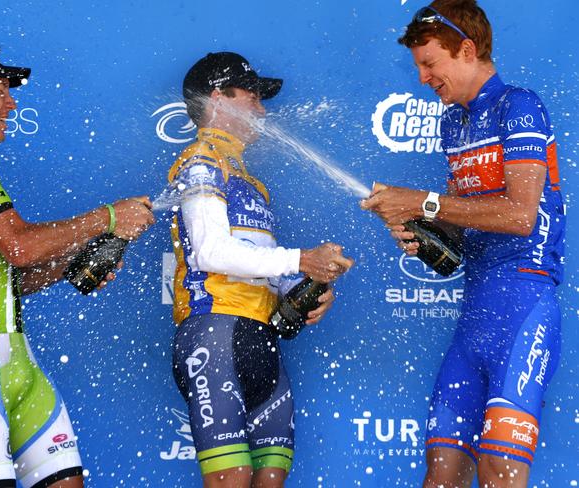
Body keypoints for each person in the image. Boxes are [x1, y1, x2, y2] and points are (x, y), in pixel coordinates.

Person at [0, 38, 155, 488]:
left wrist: (74, 262)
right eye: (0, 90)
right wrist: (108, 216)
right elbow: (20, 246)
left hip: (15, 355)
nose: (11, 103)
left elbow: (14, 277)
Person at [361, 1, 565, 487]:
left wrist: (423, 202)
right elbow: (459, 223)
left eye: (429, 63)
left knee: (500, 471)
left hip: (524, 303)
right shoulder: (453, 122)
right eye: (418, 67)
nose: (423, 78)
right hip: (475, 311)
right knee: (442, 473)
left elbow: (519, 216)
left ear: (467, 50)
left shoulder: (519, 105)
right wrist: (420, 228)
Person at [169, 52, 353, 488]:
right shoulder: (201, 162)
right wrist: (300, 259)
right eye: (252, 97)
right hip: (215, 336)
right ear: (219, 98)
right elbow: (211, 251)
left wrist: (308, 285)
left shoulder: (247, 180)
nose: (261, 109)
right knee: (231, 479)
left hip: (261, 337)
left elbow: (254, 257)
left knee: (271, 476)